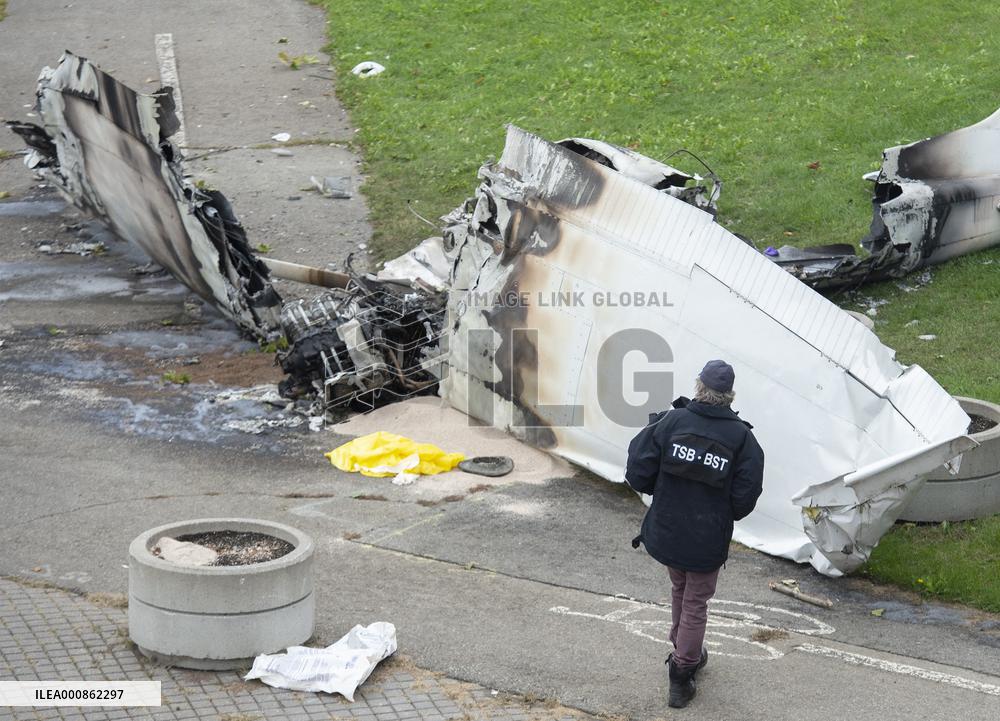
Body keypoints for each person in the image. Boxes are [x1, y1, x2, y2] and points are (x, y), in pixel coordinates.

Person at [625, 359, 764, 709]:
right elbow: (746, 496)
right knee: (695, 601)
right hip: (705, 538)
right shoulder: (742, 438)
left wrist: (661, 492)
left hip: (669, 531)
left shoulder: (672, 421)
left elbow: (638, 467)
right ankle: (683, 668)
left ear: (699, 386)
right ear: (729, 396)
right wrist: (720, 513)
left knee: (680, 589)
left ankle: (683, 647)